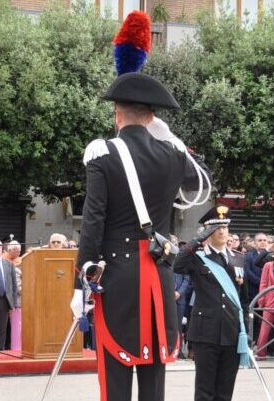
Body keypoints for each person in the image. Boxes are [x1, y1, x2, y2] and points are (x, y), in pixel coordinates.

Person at [71, 13, 212, 400]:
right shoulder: (172, 154)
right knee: (153, 380)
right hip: (159, 274)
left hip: (117, 278)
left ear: (117, 114)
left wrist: (80, 278)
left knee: (115, 378)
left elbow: (93, 220)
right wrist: (171, 137)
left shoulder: (103, 152)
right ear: (153, 116)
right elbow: (201, 184)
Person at [172, 205, 249, 401]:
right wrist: (198, 239)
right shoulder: (198, 257)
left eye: (225, 227)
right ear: (208, 231)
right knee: (205, 391)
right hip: (206, 332)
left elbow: (243, 299)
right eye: (216, 227)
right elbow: (178, 264)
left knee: (225, 391)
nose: (222, 231)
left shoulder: (238, 258)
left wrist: (244, 331)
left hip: (231, 333)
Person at [256, 245, 274, 357]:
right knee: (265, 326)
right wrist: (261, 300)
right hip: (271, 299)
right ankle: (261, 352)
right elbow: (263, 283)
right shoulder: (269, 265)